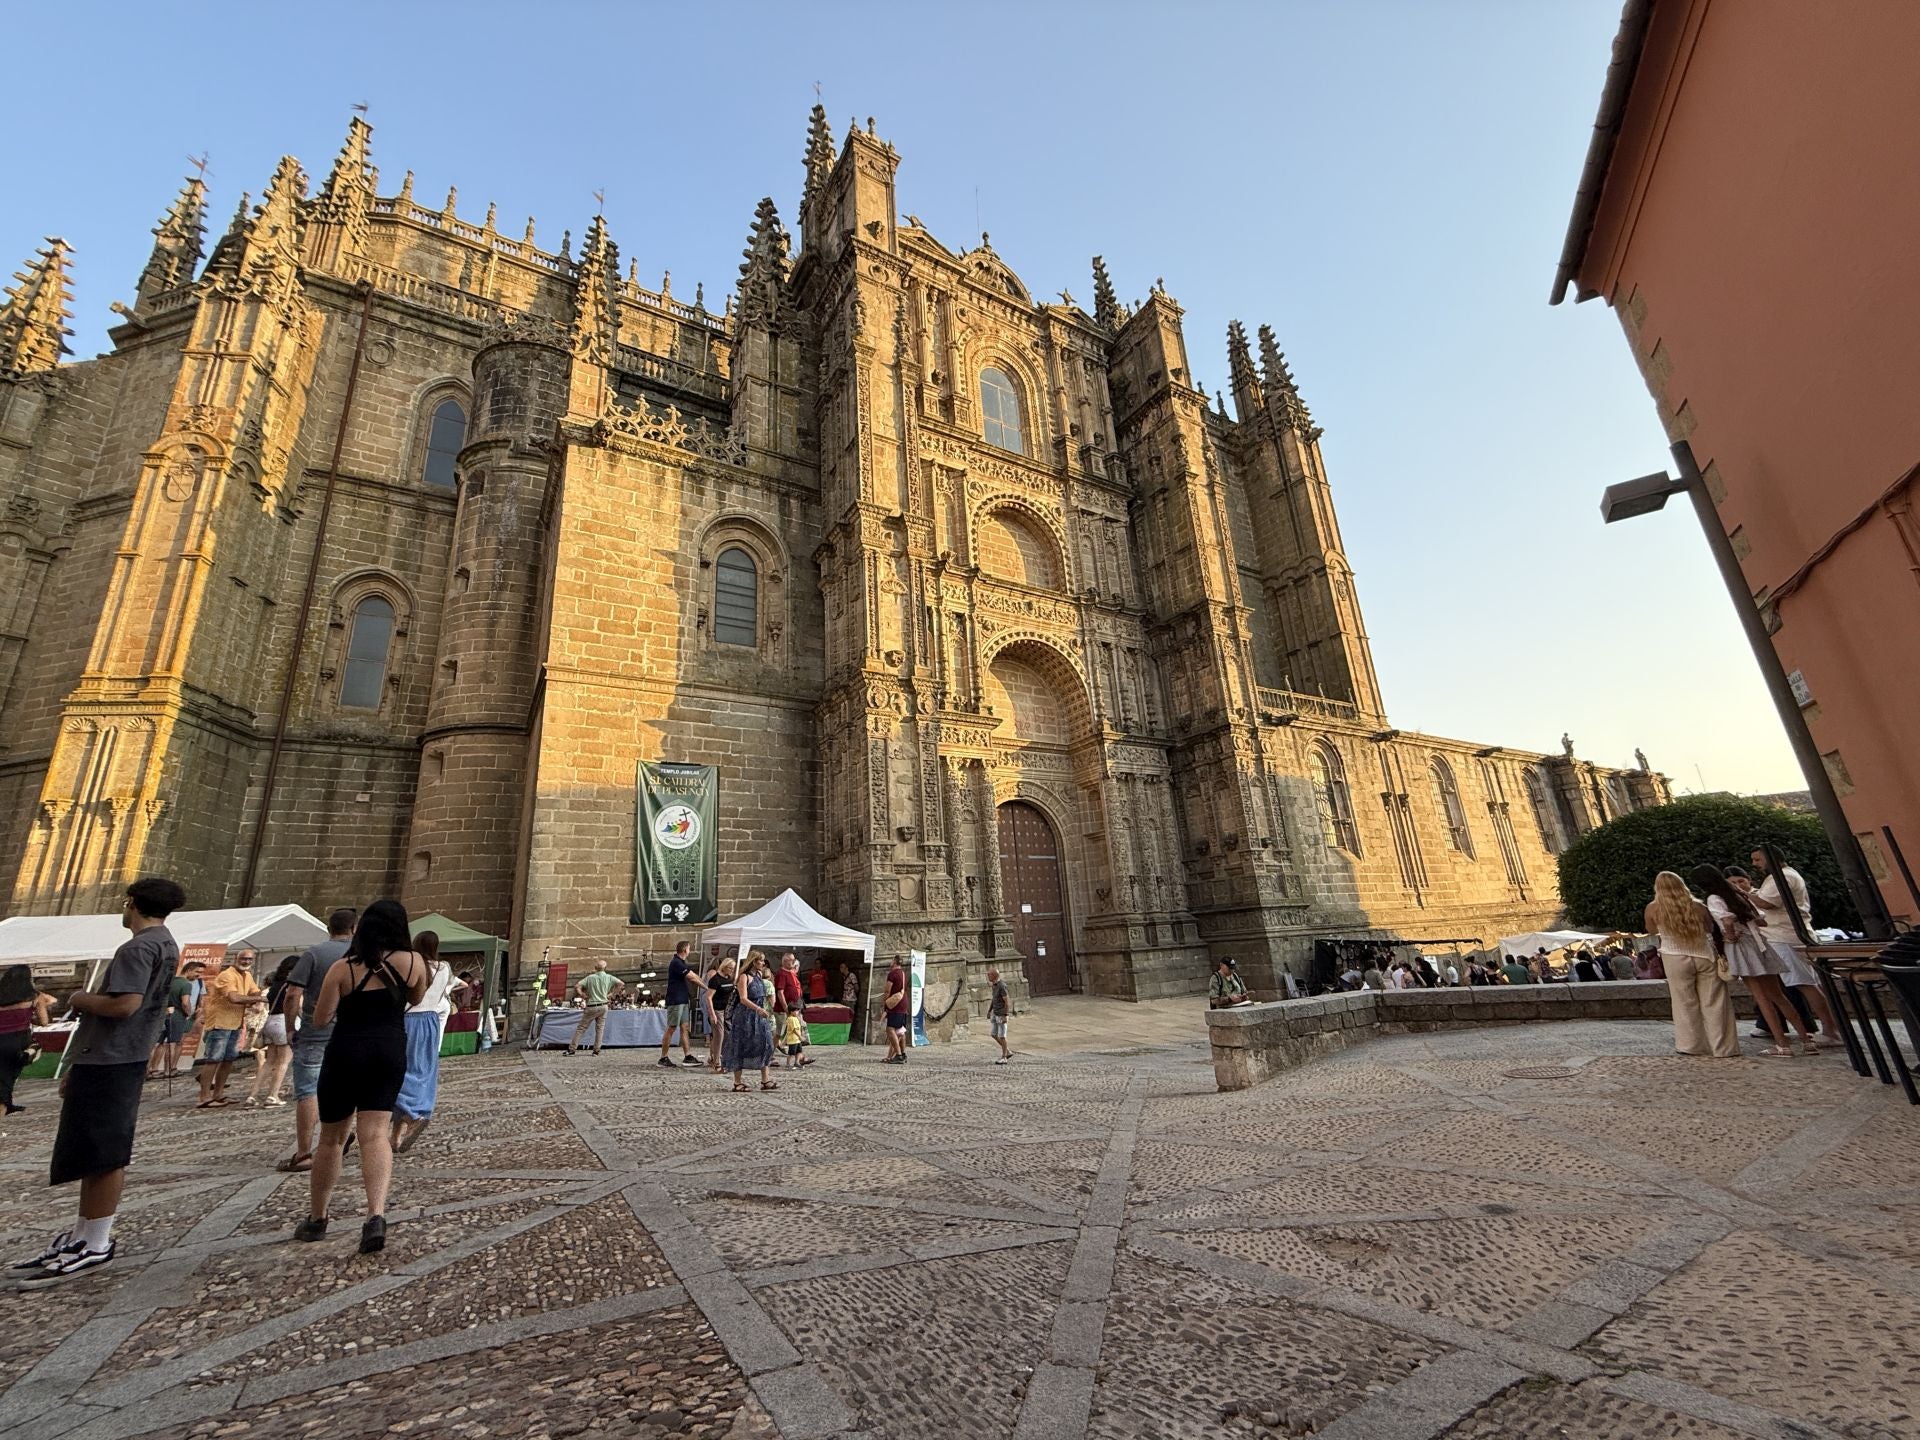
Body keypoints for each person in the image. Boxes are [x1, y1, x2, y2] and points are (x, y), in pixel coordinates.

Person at [11, 877, 184, 1280]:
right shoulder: (166, 943)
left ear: (131, 904)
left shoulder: (138, 946)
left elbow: (125, 1004)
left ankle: (96, 1242)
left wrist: (76, 998)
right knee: (94, 1150)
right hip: (116, 1056)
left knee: (105, 1152)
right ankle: (84, 1233)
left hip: (112, 1058)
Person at [296, 899, 429, 1254]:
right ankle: (375, 1215)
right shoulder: (414, 961)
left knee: (331, 1138)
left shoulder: (343, 968)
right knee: (375, 1135)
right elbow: (416, 998)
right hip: (388, 1051)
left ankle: (317, 1217)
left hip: (345, 1051)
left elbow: (321, 1018)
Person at [1690, 864, 1813, 1058]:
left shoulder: (1714, 898)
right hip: (1759, 943)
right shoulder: (1739, 895)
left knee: (1762, 998)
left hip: (1741, 946)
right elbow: (1761, 920)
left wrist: (1729, 936)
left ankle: (1782, 1045)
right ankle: (1806, 1041)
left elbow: (1727, 921)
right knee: (1779, 996)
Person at [280, 908, 356, 1174]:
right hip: (350, 1033)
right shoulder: (362, 956)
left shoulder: (314, 953)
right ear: (354, 928)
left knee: (308, 1091)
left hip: (314, 1032)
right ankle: (339, 1137)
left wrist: (290, 1027)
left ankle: (303, 1153)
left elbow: (292, 994)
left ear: (328, 928)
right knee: (345, 1089)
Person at [1747, 848, 1845, 1048]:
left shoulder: (1782, 877)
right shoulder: (1781, 877)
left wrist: (1743, 894)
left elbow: (1767, 903)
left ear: (1771, 859)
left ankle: (1831, 1030)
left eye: (1757, 859)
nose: (1754, 864)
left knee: (1804, 983)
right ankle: (1828, 1028)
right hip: (1785, 935)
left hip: (1785, 937)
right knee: (1803, 983)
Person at [1645, 872, 1739, 1058]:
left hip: (1674, 956)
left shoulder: (1653, 908)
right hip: (1703, 954)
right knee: (1715, 1002)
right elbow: (1709, 929)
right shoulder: (1698, 906)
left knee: (1684, 1003)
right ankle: (1723, 1048)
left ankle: (1691, 1046)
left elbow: (1651, 930)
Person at [393, 931, 466, 1153]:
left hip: (408, 1020)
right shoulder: (444, 968)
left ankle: (408, 1116)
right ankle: (402, 1129)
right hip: (430, 1022)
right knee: (423, 1071)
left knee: (400, 1070)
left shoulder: (412, 965)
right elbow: (456, 985)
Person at [195, 948, 264, 1109]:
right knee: (213, 1059)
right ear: (236, 959)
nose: (246, 961)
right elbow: (234, 998)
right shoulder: (226, 975)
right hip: (220, 1023)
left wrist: (254, 996)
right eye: (243, 958)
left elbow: (254, 991)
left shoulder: (247, 976)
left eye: (249, 959)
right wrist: (258, 998)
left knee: (228, 1059)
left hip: (236, 1023)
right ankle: (204, 1096)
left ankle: (218, 1094)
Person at [245, 956, 299, 1107]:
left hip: (270, 1020)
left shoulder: (275, 985)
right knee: (283, 1062)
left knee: (268, 1062)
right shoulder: (292, 985)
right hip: (283, 1021)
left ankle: (252, 1095)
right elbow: (296, 1005)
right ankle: (273, 1095)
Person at [2, 963, 50, 1115]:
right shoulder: (35, 996)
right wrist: (27, 1018)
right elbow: (44, 1022)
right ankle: (4, 1105)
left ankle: (7, 1103)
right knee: (8, 1077)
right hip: (18, 1042)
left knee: (2, 1077)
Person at [725, 951, 777, 1091]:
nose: (763, 963)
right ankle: (737, 1082)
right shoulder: (744, 977)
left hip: (759, 1017)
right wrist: (758, 1009)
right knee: (741, 1046)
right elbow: (743, 998)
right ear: (754, 962)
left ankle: (765, 1080)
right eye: (761, 961)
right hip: (745, 1016)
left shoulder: (759, 976)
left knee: (766, 1044)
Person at [151, 958, 202, 1080]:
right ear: (189, 970)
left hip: (164, 1014)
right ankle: (169, 1070)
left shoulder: (169, 981)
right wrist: (189, 1013)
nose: (198, 975)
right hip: (177, 1015)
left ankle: (151, 1070)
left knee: (158, 1043)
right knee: (174, 1043)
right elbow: (185, 1003)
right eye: (196, 972)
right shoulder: (186, 984)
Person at [657, 941, 702, 1067]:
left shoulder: (682, 963)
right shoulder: (676, 963)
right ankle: (663, 1058)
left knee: (685, 1027)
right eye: (689, 949)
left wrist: (705, 984)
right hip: (675, 999)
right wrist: (706, 987)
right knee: (671, 1027)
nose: (690, 951)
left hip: (682, 999)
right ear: (684, 950)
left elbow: (694, 975)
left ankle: (687, 1056)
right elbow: (692, 977)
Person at [569, 958, 625, 1058]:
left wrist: (583, 994)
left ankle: (572, 1049)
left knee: (581, 1028)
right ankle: (596, 1050)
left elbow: (577, 986)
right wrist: (612, 994)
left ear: (595, 968)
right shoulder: (609, 977)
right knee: (600, 1029)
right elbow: (621, 984)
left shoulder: (590, 978)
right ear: (605, 968)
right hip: (603, 1005)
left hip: (591, 1005)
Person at [704, 957, 738, 1072]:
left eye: (733, 969)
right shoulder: (715, 979)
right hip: (717, 1010)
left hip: (726, 1010)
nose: (732, 971)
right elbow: (708, 997)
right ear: (724, 966)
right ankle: (717, 1062)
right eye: (730, 968)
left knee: (725, 1035)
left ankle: (716, 1058)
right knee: (719, 1035)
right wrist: (712, 1013)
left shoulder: (729, 978)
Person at [882, 954, 911, 1063]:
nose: (890, 962)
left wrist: (885, 1004)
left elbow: (887, 991)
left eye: (891, 960)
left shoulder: (892, 974)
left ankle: (898, 1055)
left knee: (890, 1029)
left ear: (894, 961)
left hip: (895, 1005)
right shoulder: (902, 973)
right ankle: (903, 1054)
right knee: (900, 1031)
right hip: (903, 1002)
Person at [986, 966, 1012, 1063]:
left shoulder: (1002, 986)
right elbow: (994, 999)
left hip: (1001, 1014)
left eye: (989, 974)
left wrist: (1005, 1014)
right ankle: (1007, 1051)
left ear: (994, 975)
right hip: (995, 1013)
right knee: (993, 1034)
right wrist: (989, 1010)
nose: (988, 976)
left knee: (1002, 1036)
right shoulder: (994, 985)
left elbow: (1006, 1001)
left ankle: (1004, 1057)